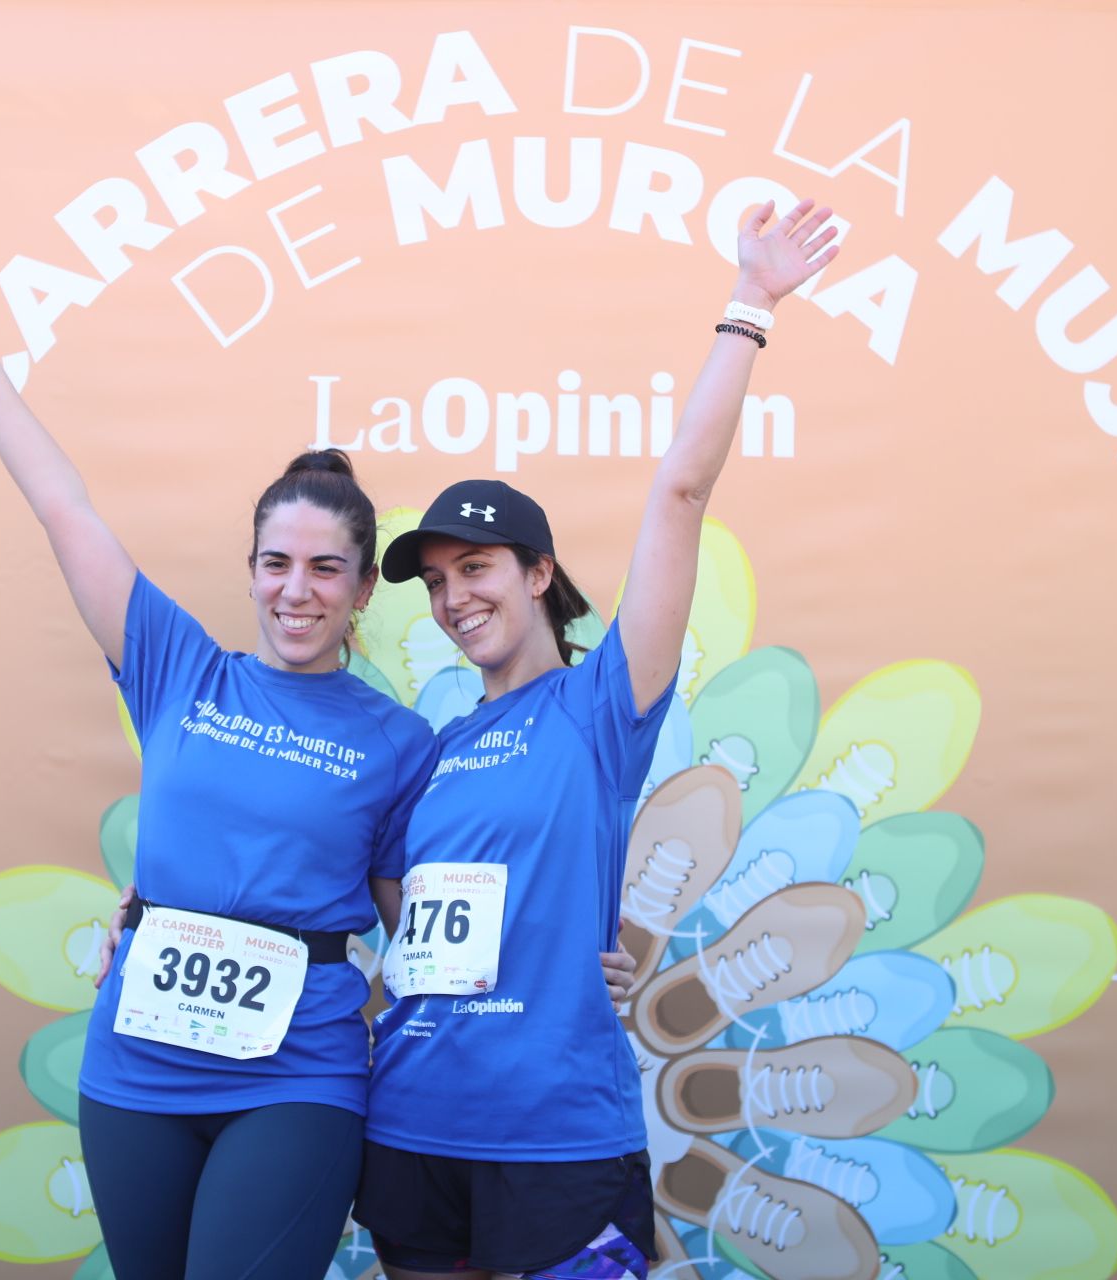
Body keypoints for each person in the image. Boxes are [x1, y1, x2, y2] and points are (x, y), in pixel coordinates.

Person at [0, 251, 635, 1280]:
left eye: (326, 568)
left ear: (358, 592)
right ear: (251, 572)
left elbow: (431, 920)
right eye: (276, 564)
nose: (298, 590)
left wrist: (573, 964)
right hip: (138, 1063)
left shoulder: (400, 741)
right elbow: (65, 508)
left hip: (298, 1072)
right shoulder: (176, 669)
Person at [352, 198, 841, 1280]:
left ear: (537, 574)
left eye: (474, 569)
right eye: (434, 582)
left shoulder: (599, 708)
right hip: (413, 1120)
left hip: (559, 1136)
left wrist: (748, 305)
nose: (451, 598)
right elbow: (396, 905)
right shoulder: (433, 752)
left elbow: (679, 491)